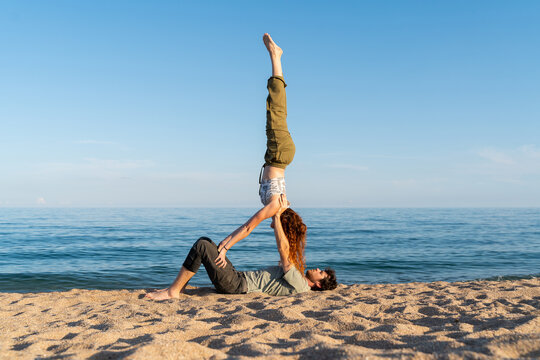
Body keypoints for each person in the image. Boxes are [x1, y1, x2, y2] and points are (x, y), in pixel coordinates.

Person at [213, 33, 306, 275]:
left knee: (275, 113)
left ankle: (276, 59)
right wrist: (224, 246)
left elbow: (281, 246)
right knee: (276, 109)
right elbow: (248, 226)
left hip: (275, 155)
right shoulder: (275, 206)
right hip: (278, 154)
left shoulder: (278, 206)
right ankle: (276, 57)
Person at [145, 195, 337, 299]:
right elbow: (287, 246)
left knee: (202, 246)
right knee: (207, 242)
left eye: (322, 273)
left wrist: (277, 216)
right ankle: (179, 288)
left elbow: (283, 250)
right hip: (236, 279)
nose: (318, 269)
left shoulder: (301, 285)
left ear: (319, 284)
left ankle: (173, 291)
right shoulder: (298, 278)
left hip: (236, 286)